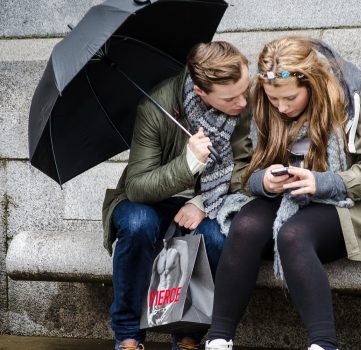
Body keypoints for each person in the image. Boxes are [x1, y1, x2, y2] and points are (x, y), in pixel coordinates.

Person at [205, 36, 361, 350]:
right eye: (273, 99)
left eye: (290, 98)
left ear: (313, 83)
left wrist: (322, 182)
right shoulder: (260, 100)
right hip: (281, 198)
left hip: (343, 203)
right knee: (246, 226)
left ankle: (323, 344)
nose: (281, 107)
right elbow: (239, 169)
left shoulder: (354, 95)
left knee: (293, 236)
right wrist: (261, 181)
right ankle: (218, 339)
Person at [101, 41, 252, 350]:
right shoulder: (154, 109)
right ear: (200, 92)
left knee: (215, 237)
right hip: (145, 201)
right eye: (231, 97)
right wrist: (188, 164)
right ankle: (128, 334)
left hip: (209, 200)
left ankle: (188, 335)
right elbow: (137, 186)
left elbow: (248, 167)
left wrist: (201, 202)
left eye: (244, 90)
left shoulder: (244, 109)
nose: (242, 101)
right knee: (138, 225)